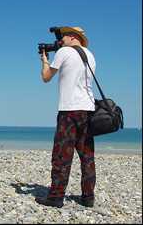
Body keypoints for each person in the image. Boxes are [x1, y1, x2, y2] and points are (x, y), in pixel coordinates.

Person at [35, 27, 96, 208]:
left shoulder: (64, 52)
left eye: (62, 38)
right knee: (87, 156)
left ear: (72, 37)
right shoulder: (90, 55)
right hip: (88, 110)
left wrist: (44, 61)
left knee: (62, 155)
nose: (60, 42)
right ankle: (88, 197)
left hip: (69, 110)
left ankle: (55, 197)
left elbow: (46, 78)